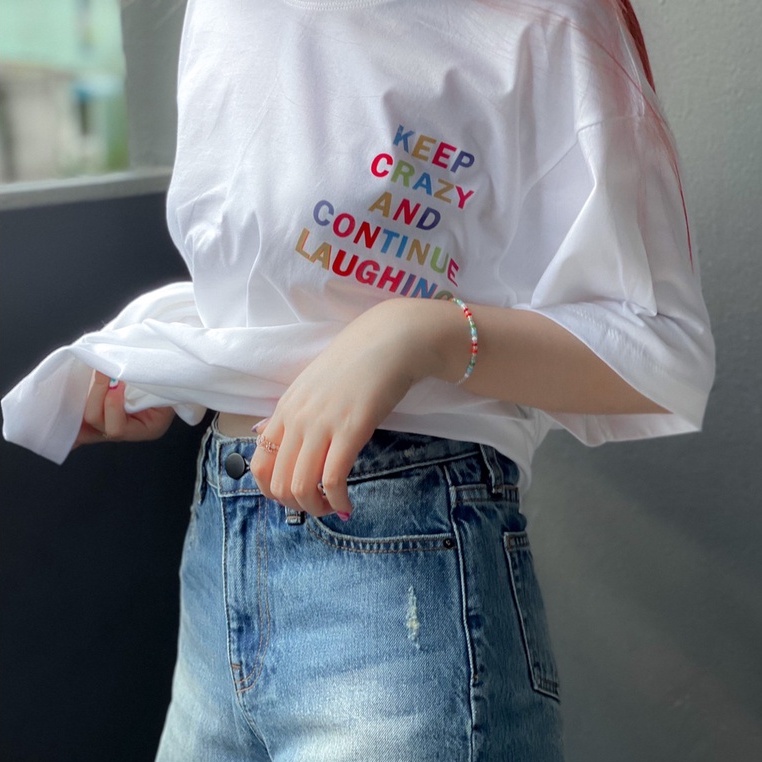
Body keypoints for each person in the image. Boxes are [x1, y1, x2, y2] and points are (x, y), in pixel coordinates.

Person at [2, 0, 715, 759]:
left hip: (406, 578)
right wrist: (181, 367)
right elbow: (285, 284)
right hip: (217, 553)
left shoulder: (548, 19)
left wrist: (417, 335)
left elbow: (662, 353)